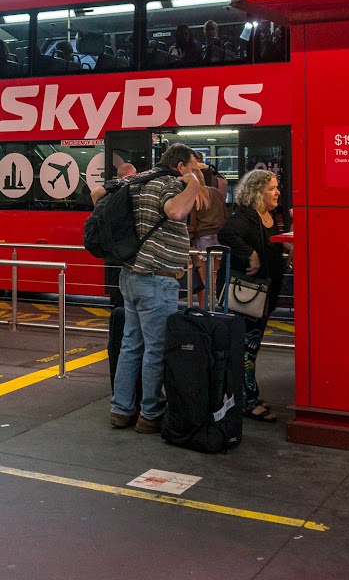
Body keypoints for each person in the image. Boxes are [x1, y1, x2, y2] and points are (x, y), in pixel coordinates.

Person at [97, 143, 206, 433]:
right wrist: (193, 184)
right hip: (156, 278)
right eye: (194, 168)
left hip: (130, 274)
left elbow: (97, 195)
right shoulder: (170, 183)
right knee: (156, 349)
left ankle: (121, 410)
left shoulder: (138, 181)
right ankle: (150, 413)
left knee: (132, 345)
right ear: (181, 166)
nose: (196, 174)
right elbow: (176, 211)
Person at [217, 168, 286, 423]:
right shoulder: (246, 216)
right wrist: (250, 253)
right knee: (247, 348)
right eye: (271, 188)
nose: (277, 191)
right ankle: (248, 401)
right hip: (246, 294)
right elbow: (226, 234)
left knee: (250, 348)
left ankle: (247, 394)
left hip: (263, 293)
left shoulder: (270, 216)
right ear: (257, 192)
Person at [187, 165, 228, 302]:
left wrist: (189, 239)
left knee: (202, 278)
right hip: (219, 238)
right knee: (216, 275)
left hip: (201, 240)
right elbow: (225, 215)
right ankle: (218, 305)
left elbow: (192, 224)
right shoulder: (216, 193)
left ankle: (203, 308)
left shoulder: (194, 197)